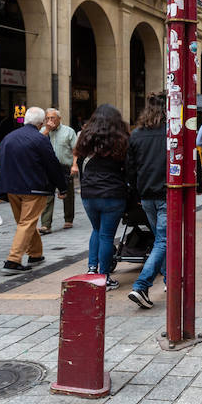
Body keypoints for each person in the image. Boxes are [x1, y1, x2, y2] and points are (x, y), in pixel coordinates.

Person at [0, 106, 67, 273]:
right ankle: (13, 260)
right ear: (41, 122)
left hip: (12, 187)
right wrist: (62, 187)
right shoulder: (40, 139)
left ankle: (35, 254)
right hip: (34, 188)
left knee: (25, 222)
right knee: (27, 223)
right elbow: (52, 164)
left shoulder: (8, 138)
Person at [74, 104, 130, 283]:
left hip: (89, 193)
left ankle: (92, 269)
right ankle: (104, 276)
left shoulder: (86, 137)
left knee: (96, 230)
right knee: (107, 235)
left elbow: (81, 162)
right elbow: (128, 167)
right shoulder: (121, 139)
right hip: (113, 193)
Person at [125, 92, 167, 308]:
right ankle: (141, 285)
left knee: (161, 239)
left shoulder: (136, 134)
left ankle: (170, 279)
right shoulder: (171, 133)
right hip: (167, 193)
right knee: (163, 241)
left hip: (146, 195)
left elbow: (130, 169)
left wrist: (137, 192)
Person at [38, 108, 78, 234]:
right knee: (47, 195)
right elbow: (36, 143)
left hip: (64, 167)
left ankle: (68, 218)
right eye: (47, 118)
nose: (50, 121)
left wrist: (74, 165)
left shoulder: (69, 131)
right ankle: (46, 225)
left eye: (52, 118)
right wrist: (47, 130)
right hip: (47, 168)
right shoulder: (42, 132)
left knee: (67, 194)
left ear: (59, 119)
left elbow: (75, 150)